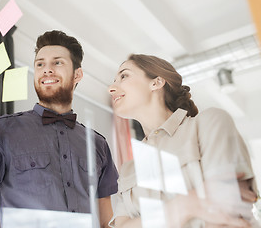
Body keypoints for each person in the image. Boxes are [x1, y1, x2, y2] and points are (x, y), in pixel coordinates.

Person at [0, 30, 118, 227]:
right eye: (40, 64)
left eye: (57, 62)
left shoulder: (98, 144)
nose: (47, 69)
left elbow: (105, 222)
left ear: (77, 74)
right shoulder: (1, 131)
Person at [108, 54, 258, 227]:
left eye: (124, 76)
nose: (111, 88)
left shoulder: (210, 123)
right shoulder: (128, 170)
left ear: (156, 82)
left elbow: (226, 213)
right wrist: (185, 204)